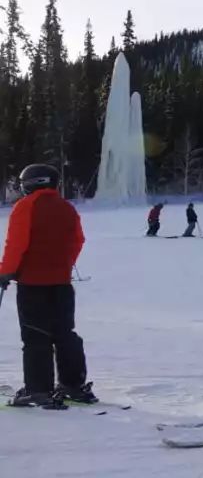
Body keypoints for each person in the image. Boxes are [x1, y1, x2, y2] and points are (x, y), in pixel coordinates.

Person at [0, 164, 95, 408]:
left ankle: (38, 389)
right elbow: (77, 241)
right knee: (65, 334)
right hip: (62, 284)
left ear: (32, 183)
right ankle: (73, 384)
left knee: (36, 336)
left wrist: (6, 272)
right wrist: (63, 266)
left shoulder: (26, 207)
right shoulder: (67, 207)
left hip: (33, 285)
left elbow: (16, 244)